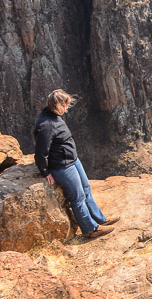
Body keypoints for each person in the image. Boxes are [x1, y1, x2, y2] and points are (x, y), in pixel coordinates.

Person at [33, 89, 119, 239]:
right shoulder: (46, 124)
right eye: (65, 105)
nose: (66, 109)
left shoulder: (54, 116)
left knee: (86, 189)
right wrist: (45, 171)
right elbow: (41, 152)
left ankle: (100, 219)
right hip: (62, 166)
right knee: (77, 198)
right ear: (58, 105)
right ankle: (90, 229)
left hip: (72, 161)